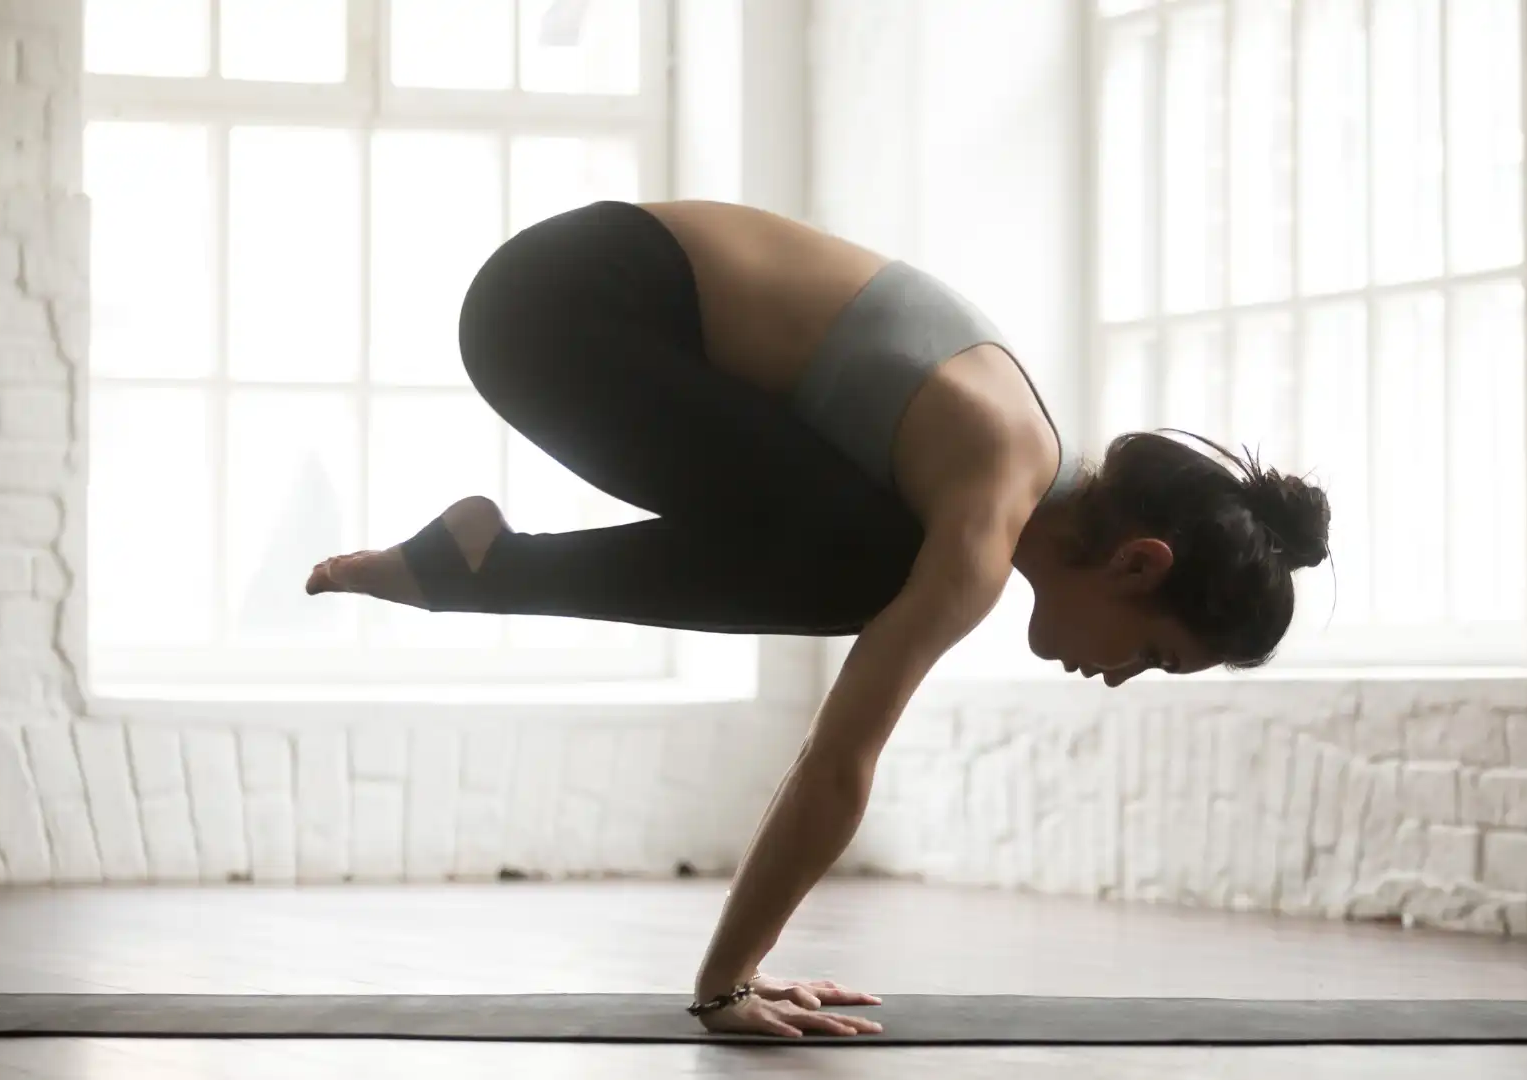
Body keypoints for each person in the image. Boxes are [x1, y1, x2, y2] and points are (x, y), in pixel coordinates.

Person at [304, 199, 1331, 1038]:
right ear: (1136, 560)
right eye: (1153, 654)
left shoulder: (1003, 463)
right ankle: (482, 570)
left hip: (568, 301)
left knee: (865, 552)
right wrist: (727, 985)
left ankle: (474, 564)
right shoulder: (986, 506)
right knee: (863, 567)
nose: (1120, 677)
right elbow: (841, 760)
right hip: (566, 308)